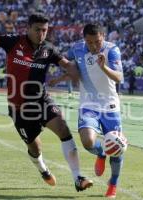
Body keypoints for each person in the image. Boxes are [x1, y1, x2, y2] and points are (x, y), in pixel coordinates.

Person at [0, 13, 93, 191]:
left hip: (41, 101)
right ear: (28, 28)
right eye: (37, 30)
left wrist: (76, 71)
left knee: (63, 129)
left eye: (45, 30)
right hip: (19, 108)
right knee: (35, 147)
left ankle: (78, 177)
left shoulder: (49, 49)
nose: (41, 34)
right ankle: (43, 169)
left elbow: (67, 64)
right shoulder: (13, 41)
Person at [50, 24, 126, 198]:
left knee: (117, 147)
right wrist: (60, 77)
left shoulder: (112, 50)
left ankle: (113, 183)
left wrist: (104, 67)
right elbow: (66, 63)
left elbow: (119, 77)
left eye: (97, 42)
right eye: (89, 42)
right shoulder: (76, 49)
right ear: (84, 39)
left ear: (103, 36)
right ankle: (100, 153)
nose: (93, 46)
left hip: (110, 106)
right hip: (88, 104)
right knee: (87, 142)